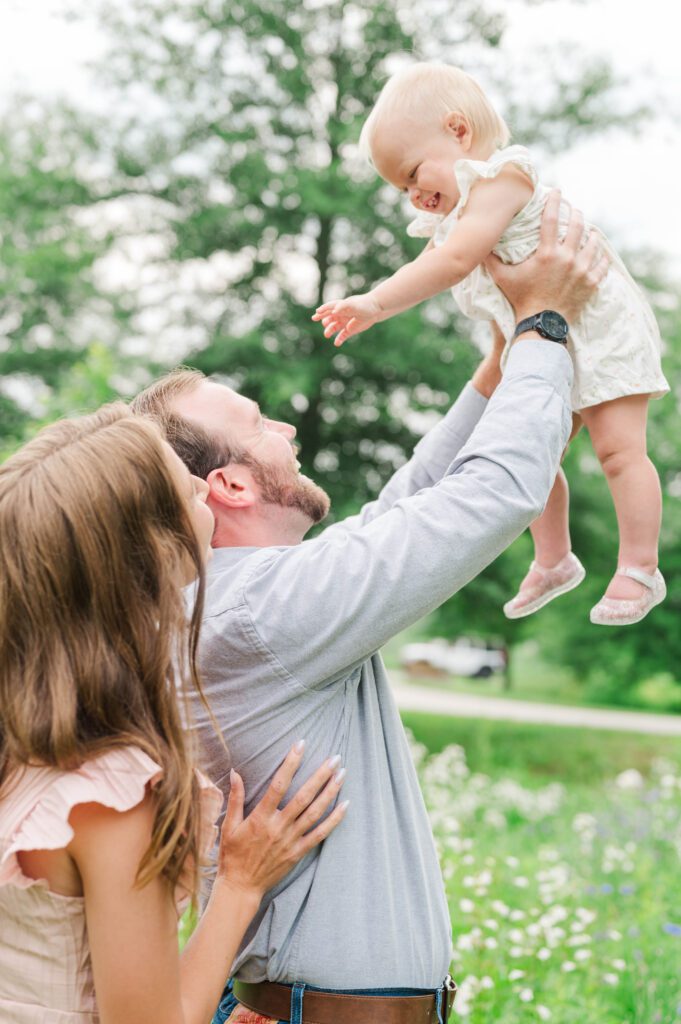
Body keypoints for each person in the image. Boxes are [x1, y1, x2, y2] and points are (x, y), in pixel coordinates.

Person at [130, 192, 606, 1024]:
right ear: (231, 484)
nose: (284, 423)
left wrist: (498, 363)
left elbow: (403, 510)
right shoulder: (259, 612)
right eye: (258, 424)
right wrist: (546, 327)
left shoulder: (241, 603)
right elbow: (489, 497)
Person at [0, 404, 349, 1024]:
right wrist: (241, 885)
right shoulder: (110, 795)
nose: (203, 485)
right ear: (149, 553)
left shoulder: (20, 749)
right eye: (185, 486)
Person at [313, 61, 668, 628]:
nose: (412, 196)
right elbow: (437, 255)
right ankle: (553, 558)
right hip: (541, 339)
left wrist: (375, 304)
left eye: (413, 174)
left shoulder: (504, 177)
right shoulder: (457, 213)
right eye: (401, 189)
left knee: (618, 451)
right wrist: (376, 299)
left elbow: (452, 262)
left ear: (458, 131)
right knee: (534, 453)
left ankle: (640, 567)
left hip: (599, 328)